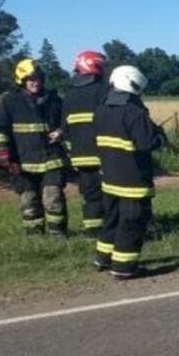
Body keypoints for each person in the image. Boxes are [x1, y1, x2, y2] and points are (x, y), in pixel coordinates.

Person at [94, 65, 166, 278]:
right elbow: (147, 143)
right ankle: (123, 267)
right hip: (133, 180)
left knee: (112, 219)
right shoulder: (134, 113)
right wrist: (160, 136)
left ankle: (102, 259)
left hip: (110, 177)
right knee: (132, 223)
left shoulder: (101, 109)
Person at [0, 58, 68, 236]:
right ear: (22, 80)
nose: (36, 83)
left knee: (53, 196)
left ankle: (58, 233)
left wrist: (61, 132)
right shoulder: (9, 102)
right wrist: (4, 153)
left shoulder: (54, 100)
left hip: (52, 158)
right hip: (22, 160)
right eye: (31, 79)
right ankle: (34, 236)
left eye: (38, 79)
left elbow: (68, 123)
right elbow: (1, 130)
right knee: (29, 200)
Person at [62, 50, 110, 238]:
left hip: (80, 156)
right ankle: (111, 227)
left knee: (89, 194)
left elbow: (64, 127)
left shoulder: (69, 95)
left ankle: (92, 230)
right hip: (104, 153)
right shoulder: (103, 90)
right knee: (109, 192)